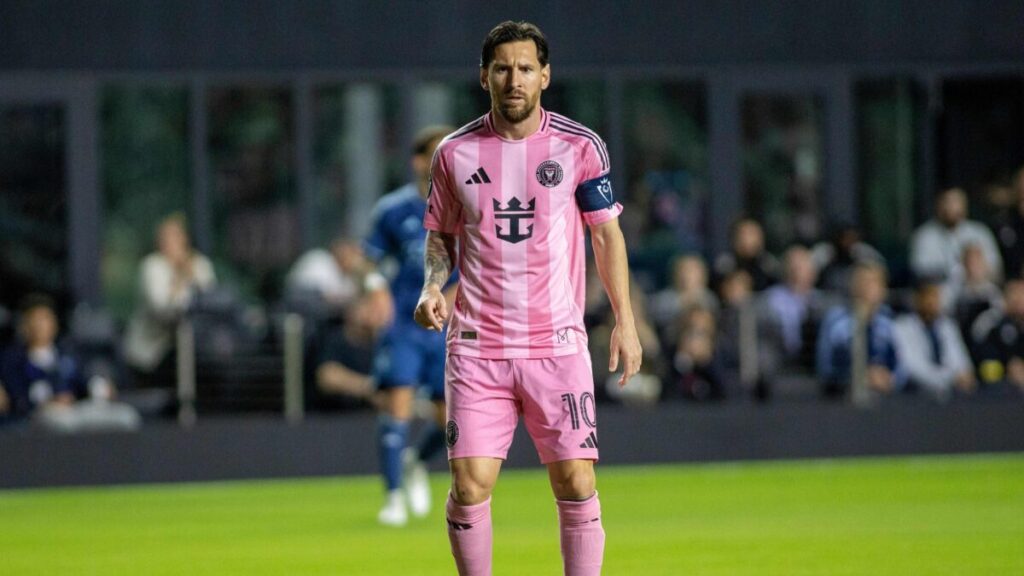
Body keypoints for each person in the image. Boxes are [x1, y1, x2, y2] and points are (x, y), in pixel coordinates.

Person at [413, 21, 642, 576]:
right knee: (469, 485)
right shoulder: (454, 154)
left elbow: (606, 234)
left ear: (545, 75)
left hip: (556, 343)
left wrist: (626, 322)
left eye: (524, 68)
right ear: (484, 77)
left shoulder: (579, 146)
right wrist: (431, 286)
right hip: (477, 345)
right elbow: (441, 233)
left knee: (576, 479)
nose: (513, 79)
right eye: (501, 69)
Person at [363, 125, 457, 526]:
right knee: (398, 402)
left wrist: (457, 297)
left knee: (449, 416)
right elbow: (370, 259)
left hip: (447, 325)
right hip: (403, 320)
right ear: (419, 161)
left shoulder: (464, 206)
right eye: (436, 154)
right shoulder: (393, 209)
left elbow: (478, 263)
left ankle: (417, 460)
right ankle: (393, 496)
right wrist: (376, 289)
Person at [123, 213, 216, 387]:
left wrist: (189, 270)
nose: (170, 242)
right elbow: (162, 308)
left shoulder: (199, 263)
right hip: (152, 354)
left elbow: (210, 300)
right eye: (165, 237)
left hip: (194, 347)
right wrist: (180, 276)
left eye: (176, 236)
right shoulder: (152, 266)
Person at [816, 262, 903, 399]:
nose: (867, 288)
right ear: (852, 286)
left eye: (873, 282)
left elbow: (903, 368)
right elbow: (825, 367)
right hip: (843, 398)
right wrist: (861, 377)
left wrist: (891, 379)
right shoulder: (835, 320)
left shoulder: (890, 322)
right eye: (862, 281)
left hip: (887, 399)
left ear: (883, 289)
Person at [910, 187, 1002, 299]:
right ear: (938, 205)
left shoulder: (979, 232)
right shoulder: (925, 235)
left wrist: (975, 270)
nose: (951, 207)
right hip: (941, 298)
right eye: (947, 202)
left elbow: (995, 269)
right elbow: (921, 272)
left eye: (956, 201)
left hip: (978, 295)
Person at [893, 279, 976, 402]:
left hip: (953, 396)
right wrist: (950, 378)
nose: (932, 302)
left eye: (936, 296)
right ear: (917, 299)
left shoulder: (947, 326)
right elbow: (911, 368)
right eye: (928, 296)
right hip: (915, 397)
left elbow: (961, 361)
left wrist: (964, 375)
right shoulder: (902, 327)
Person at [713, 218, 779, 292]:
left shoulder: (769, 265)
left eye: (752, 234)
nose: (747, 239)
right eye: (743, 234)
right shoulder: (724, 264)